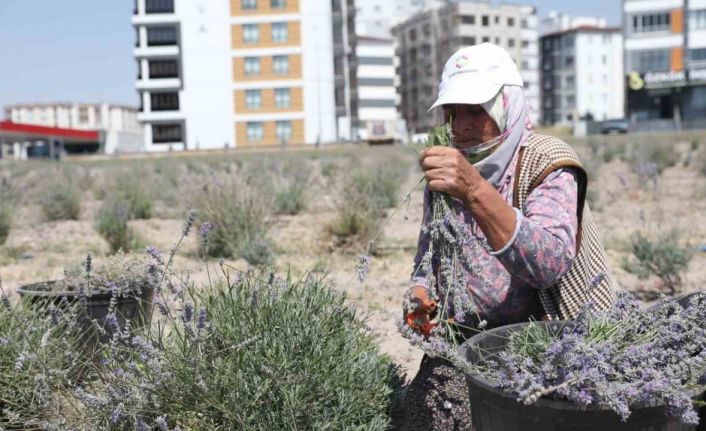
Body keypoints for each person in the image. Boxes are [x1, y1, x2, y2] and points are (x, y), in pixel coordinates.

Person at [398, 43, 618, 431]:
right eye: (453, 112)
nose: (461, 125)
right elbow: (427, 258)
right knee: (428, 409)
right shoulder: (448, 172)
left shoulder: (547, 160)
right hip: (467, 341)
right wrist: (420, 294)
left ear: (506, 105)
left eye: (476, 110)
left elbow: (547, 265)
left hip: (552, 339)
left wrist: (474, 191)